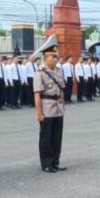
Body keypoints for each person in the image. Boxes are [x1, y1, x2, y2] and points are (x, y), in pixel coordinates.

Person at [34, 43, 67, 173]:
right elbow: (37, 94)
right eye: (52, 56)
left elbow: (62, 89)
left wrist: (63, 103)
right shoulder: (39, 73)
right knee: (46, 137)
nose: (55, 59)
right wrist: (39, 112)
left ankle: (55, 161)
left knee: (57, 136)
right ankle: (46, 163)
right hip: (47, 107)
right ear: (45, 57)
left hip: (58, 107)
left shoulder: (59, 71)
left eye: (56, 57)